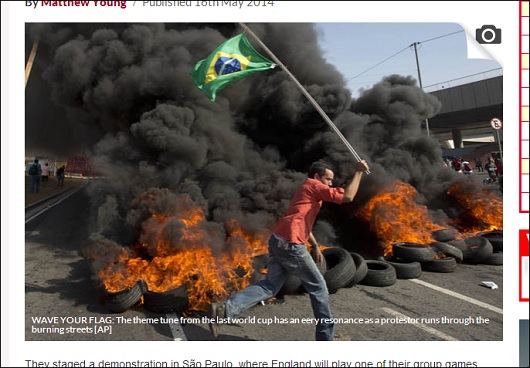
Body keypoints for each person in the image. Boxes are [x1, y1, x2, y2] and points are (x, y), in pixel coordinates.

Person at [207, 159, 370, 341]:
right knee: (319, 288)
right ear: (317, 177)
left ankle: (224, 309)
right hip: (291, 245)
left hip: (278, 241)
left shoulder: (306, 190)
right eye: (328, 179)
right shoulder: (314, 185)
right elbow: (347, 197)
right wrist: (359, 172)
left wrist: (314, 245)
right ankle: (326, 339)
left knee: (270, 286)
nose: (331, 183)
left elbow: (299, 220)